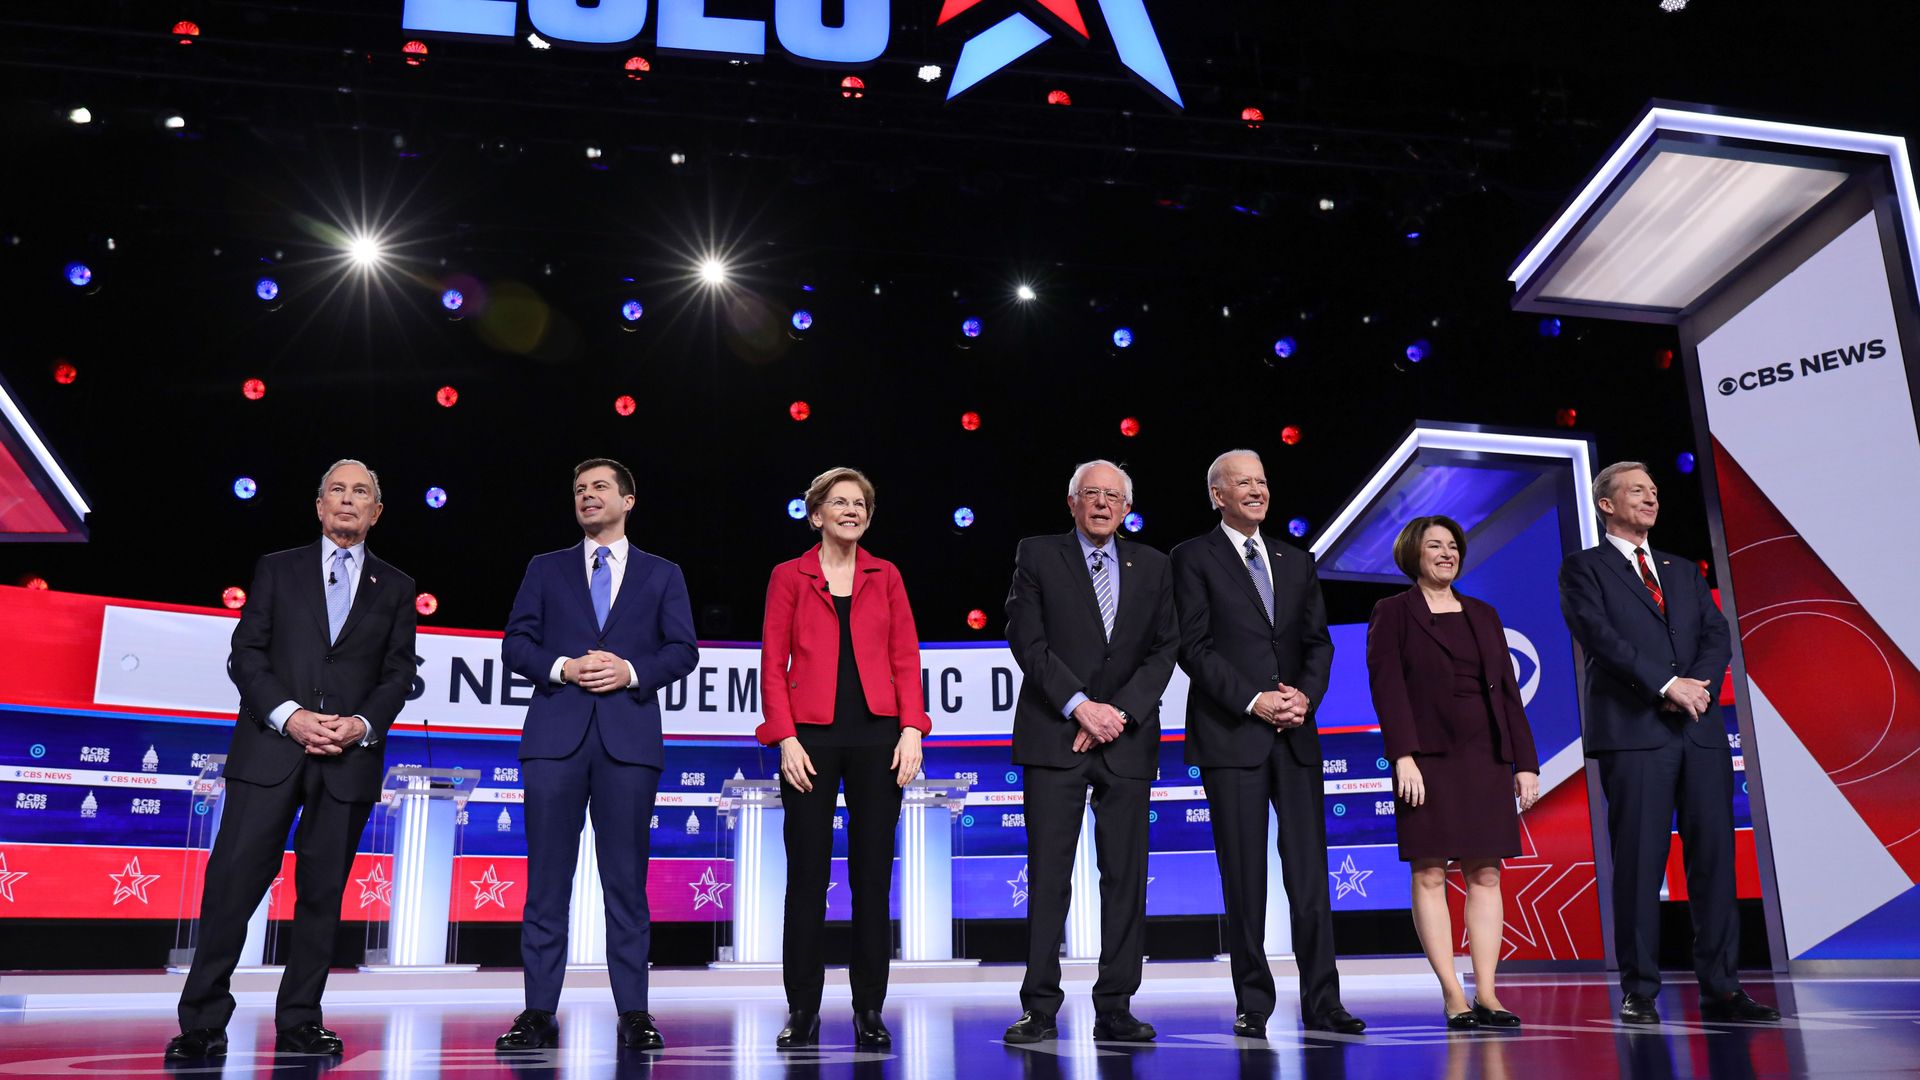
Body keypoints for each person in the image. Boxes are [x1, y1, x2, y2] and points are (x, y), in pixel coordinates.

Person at [168, 460, 418, 1061]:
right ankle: (202, 1022)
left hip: (346, 761)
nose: (348, 500)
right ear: (319, 504)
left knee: (322, 896)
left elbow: (399, 672)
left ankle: (301, 1020)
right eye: (338, 490)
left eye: (362, 492)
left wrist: (359, 725)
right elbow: (246, 654)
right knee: (232, 886)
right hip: (270, 751)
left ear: (377, 512)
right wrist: (290, 715)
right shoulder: (277, 569)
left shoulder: (398, 585)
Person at [1558, 461, 1779, 1025]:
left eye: (1654, 491)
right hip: (1635, 733)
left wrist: (1696, 686)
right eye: (1637, 490)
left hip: (1698, 730)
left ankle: (1722, 986)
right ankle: (1640, 990)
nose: (1651, 498)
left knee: (1714, 860)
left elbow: (1715, 632)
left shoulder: (1680, 569)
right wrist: (1664, 684)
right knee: (1638, 863)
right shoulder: (1585, 568)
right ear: (1606, 504)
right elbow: (1600, 637)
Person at [495, 458, 699, 1052]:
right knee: (546, 883)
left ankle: (634, 1011)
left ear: (628, 500)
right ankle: (538, 1011)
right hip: (554, 740)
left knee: (627, 884)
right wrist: (562, 667)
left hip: (628, 742)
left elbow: (682, 651)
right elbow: (517, 643)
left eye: (599, 488)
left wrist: (631, 670)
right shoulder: (545, 568)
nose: (587, 496)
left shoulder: (663, 574)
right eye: (579, 489)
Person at [1171, 449, 1363, 1039]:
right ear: (1217, 495)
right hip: (1233, 734)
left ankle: (1323, 1001)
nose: (1257, 490)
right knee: (1244, 877)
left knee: (1309, 877)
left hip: (1297, 737)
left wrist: (1303, 697)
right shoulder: (1191, 557)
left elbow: (1318, 645)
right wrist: (1257, 700)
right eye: (1243, 482)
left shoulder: (1296, 559)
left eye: (1262, 481)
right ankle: (1253, 1002)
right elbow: (1193, 647)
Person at [1001, 460, 1180, 1045]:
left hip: (1126, 738)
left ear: (1127, 507)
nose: (1103, 503)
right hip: (1056, 735)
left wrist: (1117, 713)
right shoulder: (1037, 553)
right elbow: (1026, 640)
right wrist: (1080, 707)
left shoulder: (1154, 564)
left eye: (1114, 495)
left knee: (1124, 878)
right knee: (1049, 877)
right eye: (1091, 494)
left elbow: (1164, 649)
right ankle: (1040, 1008)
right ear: (1072, 502)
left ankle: (1116, 1006)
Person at [756, 467, 928, 1050]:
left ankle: (868, 1011)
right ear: (817, 514)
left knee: (872, 880)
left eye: (861, 504)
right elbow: (772, 662)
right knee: (806, 880)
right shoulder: (788, 575)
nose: (852, 511)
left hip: (880, 739)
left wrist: (912, 729)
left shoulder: (888, 575)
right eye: (840, 502)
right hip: (809, 741)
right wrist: (783, 737)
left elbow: (907, 656)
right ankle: (802, 1010)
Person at [1367, 516, 1540, 1029]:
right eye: (1434, 546)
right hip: (1427, 759)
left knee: (1486, 872)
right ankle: (1453, 994)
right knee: (1430, 871)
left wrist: (1524, 762)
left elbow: (1508, 691)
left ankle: (1487, 992)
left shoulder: (1483, 614)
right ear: (1412, 554)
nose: (1446, 553)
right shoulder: (1393, 612)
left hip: (1484, 755)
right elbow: (1388, 688)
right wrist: (1403, 755)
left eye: (1452, 546)